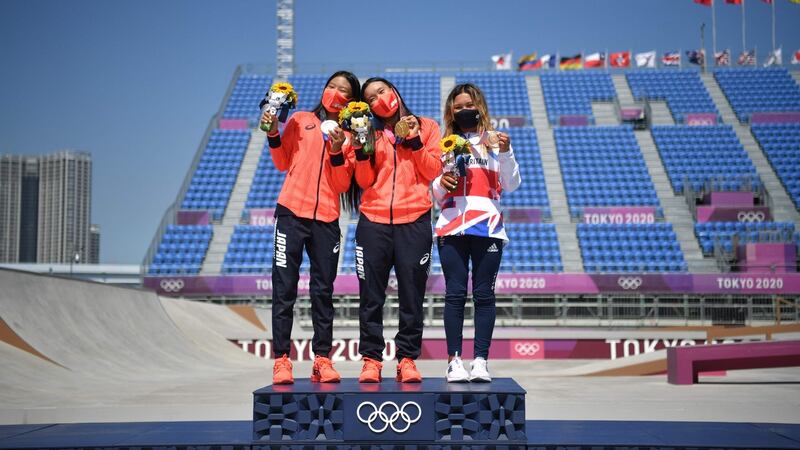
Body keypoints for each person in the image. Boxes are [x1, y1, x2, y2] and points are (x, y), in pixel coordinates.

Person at [260, 71, 361, 384]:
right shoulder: (301, 119)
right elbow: (280, 161)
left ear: (351, 100)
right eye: (332, 86)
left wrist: (336, 149)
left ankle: (322, 359)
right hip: (291, 212)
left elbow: (344, 183)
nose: (335, 93)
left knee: (323, 292)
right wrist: (272, 131)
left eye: (343, 91)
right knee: (284, 289)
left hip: (327, 219)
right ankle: (281, 360)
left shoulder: (350, 137)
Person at [344, 77, 442, 383]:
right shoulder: (366, 132)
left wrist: (413, 141)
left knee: (412, 296)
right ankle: (371, 360)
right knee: (370, 297)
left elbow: (433, 170)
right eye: (371, 98)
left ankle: (407, 359)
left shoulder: (427, 127)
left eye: (382, 91)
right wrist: (362, 151)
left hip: (415, 221)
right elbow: (363, 181)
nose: (379, 100)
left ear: (394, 91)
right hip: (373, 221)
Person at [432, 83, 521, 382]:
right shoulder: (444, 143)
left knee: (484, 295)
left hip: (489, 226)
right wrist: (439, 183)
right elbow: (434, 191)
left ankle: (480, 361)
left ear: (479, 106)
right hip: (452, 224)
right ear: (451, 112)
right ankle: (454, 361)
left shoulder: (496, 142)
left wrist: (506, 153)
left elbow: (511, 184)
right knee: (455, 294)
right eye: (457, 107)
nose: (463, 110)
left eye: (468, 104)